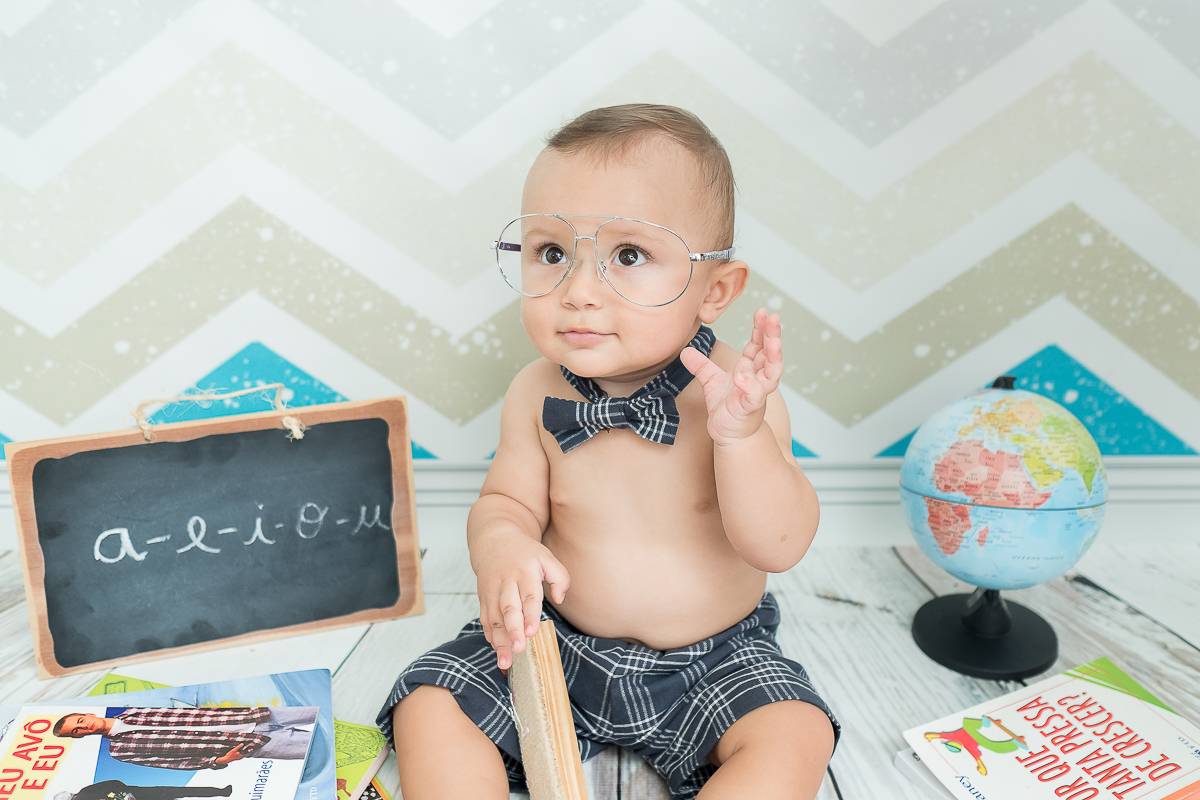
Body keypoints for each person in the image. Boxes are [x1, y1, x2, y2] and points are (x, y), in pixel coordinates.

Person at [378, 103, 839, 799]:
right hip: (552, 642)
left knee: (797, 733)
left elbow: (779, 545)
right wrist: (502, 545)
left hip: (713, 660)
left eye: (629, 256)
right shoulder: (535, 391)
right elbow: (505, 501)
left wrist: (741, 438)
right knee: (430, 703)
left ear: (715, 290)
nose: (579, 292)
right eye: (552, 253)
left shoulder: (737, 394)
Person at [52, 707, 317, 771]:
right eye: (76, 731)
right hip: (247, 744)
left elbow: (192, 710)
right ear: (79, 737)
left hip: (254, 715)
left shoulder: (134, 710)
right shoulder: (119, 751)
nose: (84, 727)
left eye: (80, 721)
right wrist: (219, 761)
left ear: (87, 714)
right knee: (323, 748)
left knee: (323, 711)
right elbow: (170, 763)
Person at [59, 780, 233, 800]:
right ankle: (222, 792)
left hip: (139, 794)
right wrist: (125, 793)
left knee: (180, 793)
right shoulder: (85, 792)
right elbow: (113, 783)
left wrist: (123, 794)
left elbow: (112, 786)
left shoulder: (85, 793)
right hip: (141, 794)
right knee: (181, 792)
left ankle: (222, 792)